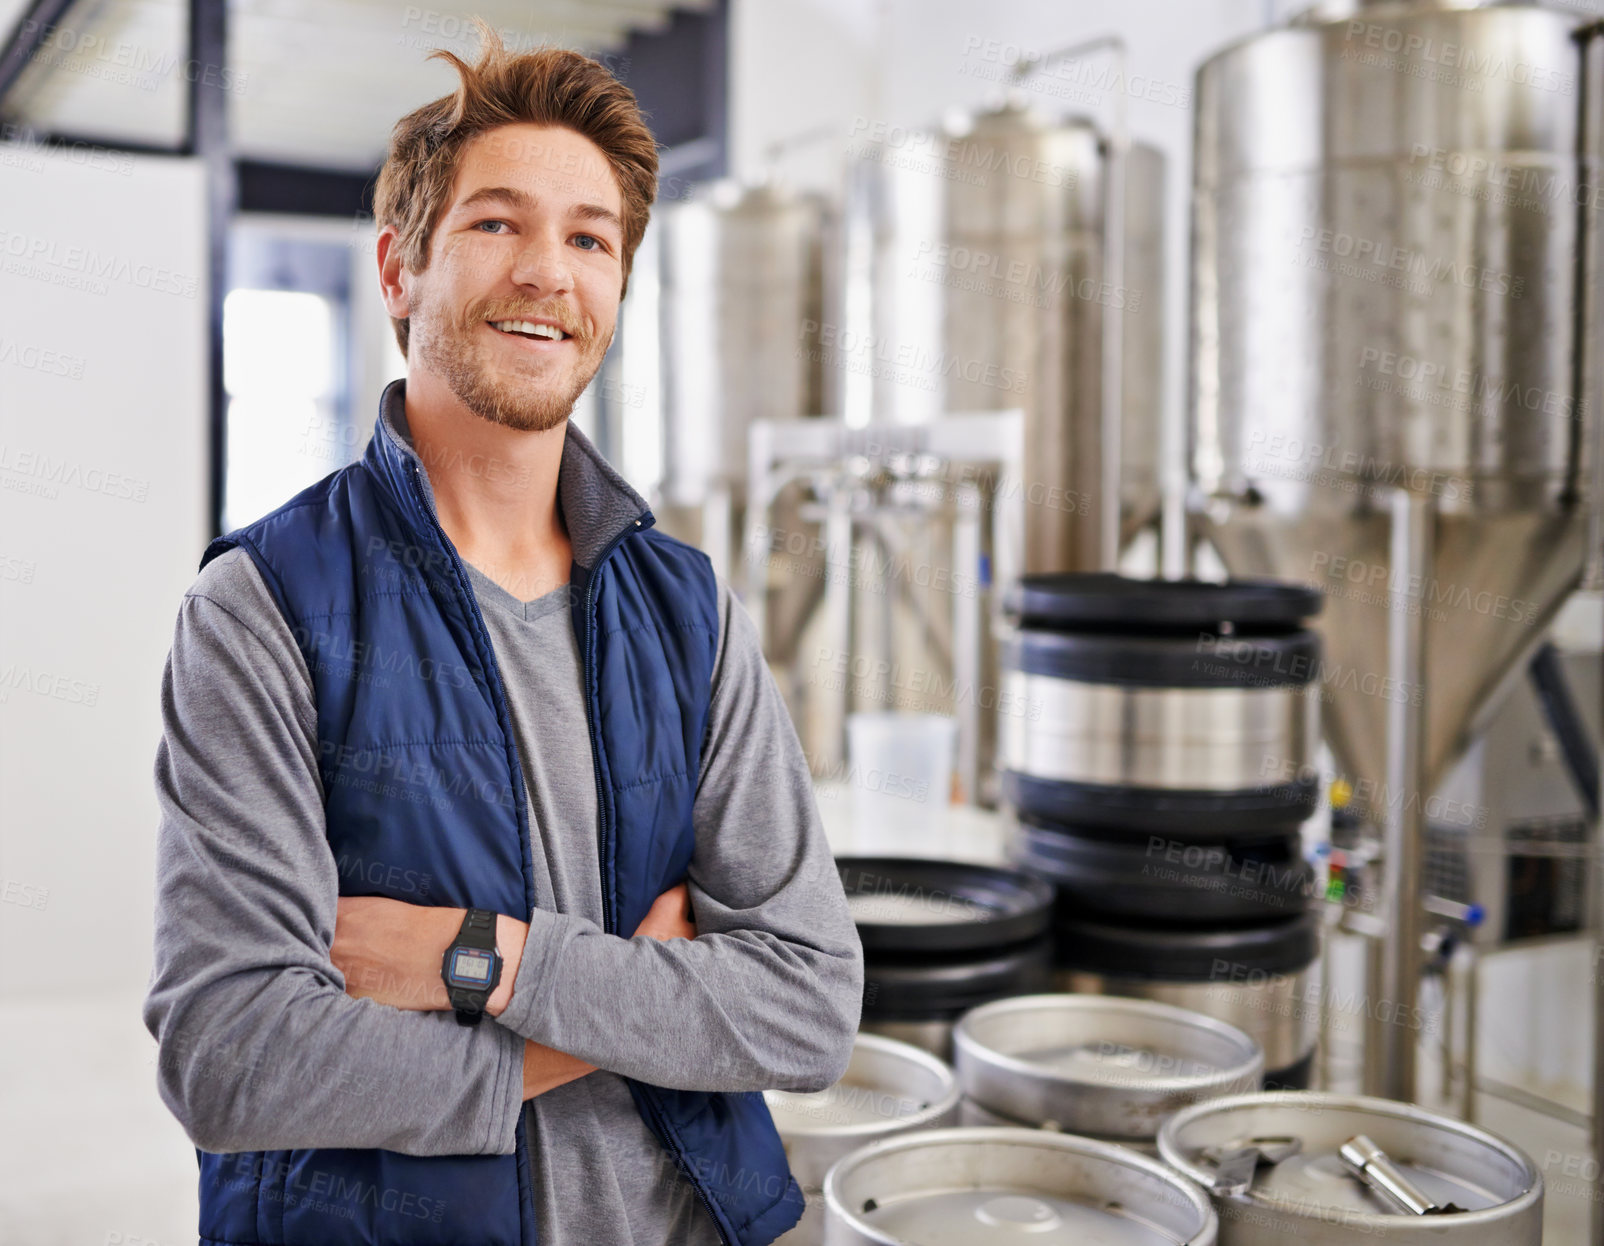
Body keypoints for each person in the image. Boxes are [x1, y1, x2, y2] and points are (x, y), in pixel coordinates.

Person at [142, 24, 862, 1246]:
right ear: (397, 270)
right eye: (496, 223)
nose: (547, 271)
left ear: (617, 294)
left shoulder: (688, 612)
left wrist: (483, 959)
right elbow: (233, 1057)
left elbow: (805, 1005)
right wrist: (620, 1012)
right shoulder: (261, 610)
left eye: (590, 238)